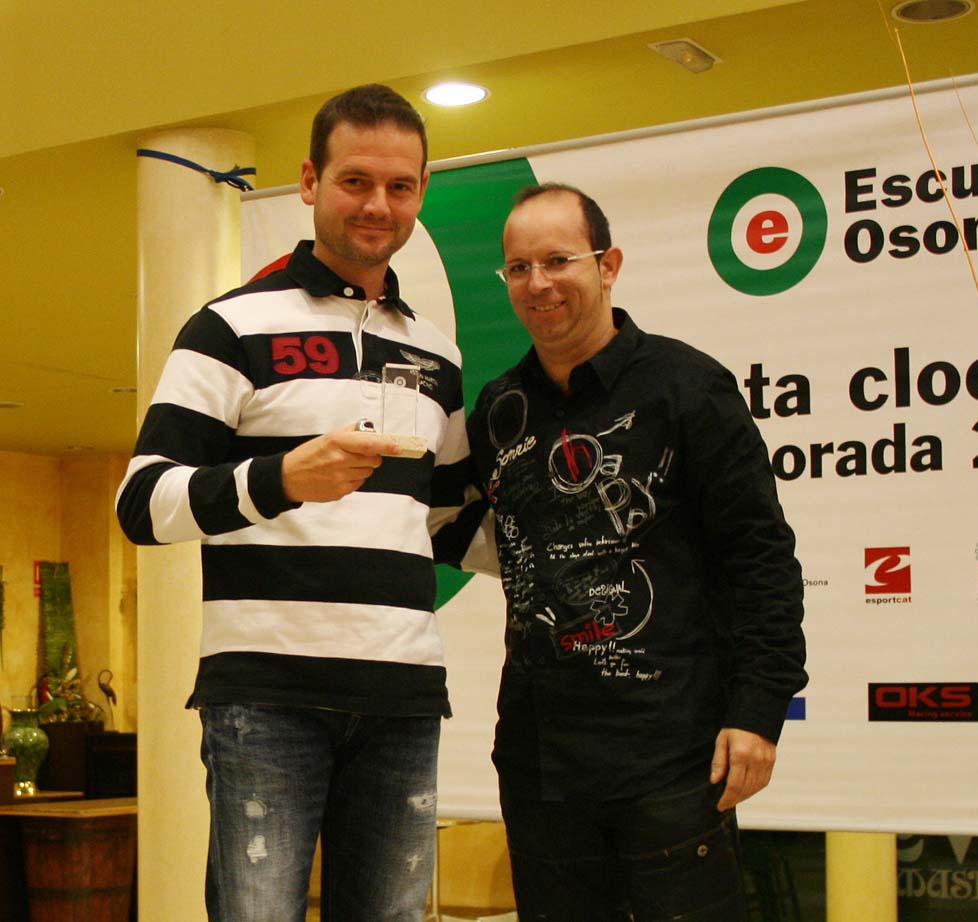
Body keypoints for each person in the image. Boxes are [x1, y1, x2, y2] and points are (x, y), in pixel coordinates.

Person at [117, 84, 485, 922]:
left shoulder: (436, 354)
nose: (378, 204)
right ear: (311, 181)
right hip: (266, 694)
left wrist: (575, 552)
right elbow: (142, 502)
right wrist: (278, 480)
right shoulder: (227, 327)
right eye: (356, 181)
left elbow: (447, 521)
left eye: (399, 186)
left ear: (421, 192)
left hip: (401, 693)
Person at [466, 183, 807, 921]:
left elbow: (760, 558)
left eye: (558, 260)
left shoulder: (688, 387)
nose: (538, 283)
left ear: (608, 264)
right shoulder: (496, 409)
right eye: (519, 268)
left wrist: (758, 710)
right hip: (539, 761)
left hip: (671, 756)